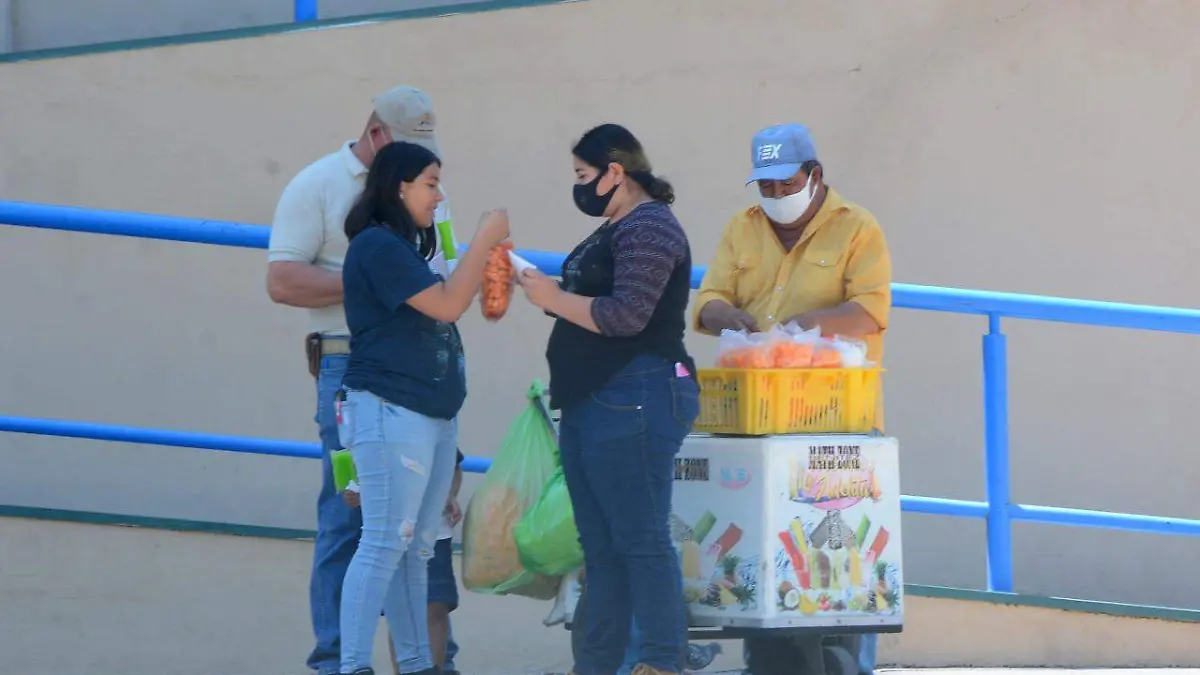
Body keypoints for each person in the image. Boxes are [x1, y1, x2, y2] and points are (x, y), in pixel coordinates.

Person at [266, 85, 462, 675]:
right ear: (377, 135)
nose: (430, 183)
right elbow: (281, 280)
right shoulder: (317, 184)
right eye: (410, 157)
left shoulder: (429, 198)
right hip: (349, 361)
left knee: (424, 525)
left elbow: (444, 271)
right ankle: (337, 661)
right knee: (351, 517)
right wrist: (378, 280)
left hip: (425, 366)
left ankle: (427, 659)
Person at [693, 122, 892, 675]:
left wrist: (810, 326)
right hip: (758, 427)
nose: (777, 197)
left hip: (834, 426)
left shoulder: (857, 228)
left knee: (836, 579)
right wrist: (721, 315)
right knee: (767, 575)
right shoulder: (743, 227)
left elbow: (871, 309)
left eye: (786, 184)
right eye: (766, 187)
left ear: (814, 175)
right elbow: (709, 296)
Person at [519, 123, 699, 675]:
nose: (577, 186)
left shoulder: (650, 228)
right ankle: (596, 664)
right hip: (592, 399)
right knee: (600, 549)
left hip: (635, 394)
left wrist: (552, 296)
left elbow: (626, 316)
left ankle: (662, 661)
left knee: (640, 539)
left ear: (615, 172)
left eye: (583, 174)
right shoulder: (615, 227)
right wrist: (536, 286)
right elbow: (592, 300)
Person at [336, 140, 509, 675]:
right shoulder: (377, 247)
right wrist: (484, 237)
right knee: (385, 540)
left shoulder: (405, 249)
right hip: (390, 411)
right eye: (431, 184)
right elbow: (448, 304)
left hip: (430, 417)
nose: (439, 197)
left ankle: (415, 665)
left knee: (417, 549)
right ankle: (352, 665)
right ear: (399, 186)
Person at [351, 448, 464, 675]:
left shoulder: (434, 419)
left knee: (435, 606)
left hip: (432, 531)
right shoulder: (374, 423)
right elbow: (354, 474)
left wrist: (449, 493)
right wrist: (355, 489)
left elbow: (453, 463)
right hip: (390, 530)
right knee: (400, 609)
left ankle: (437, 668)